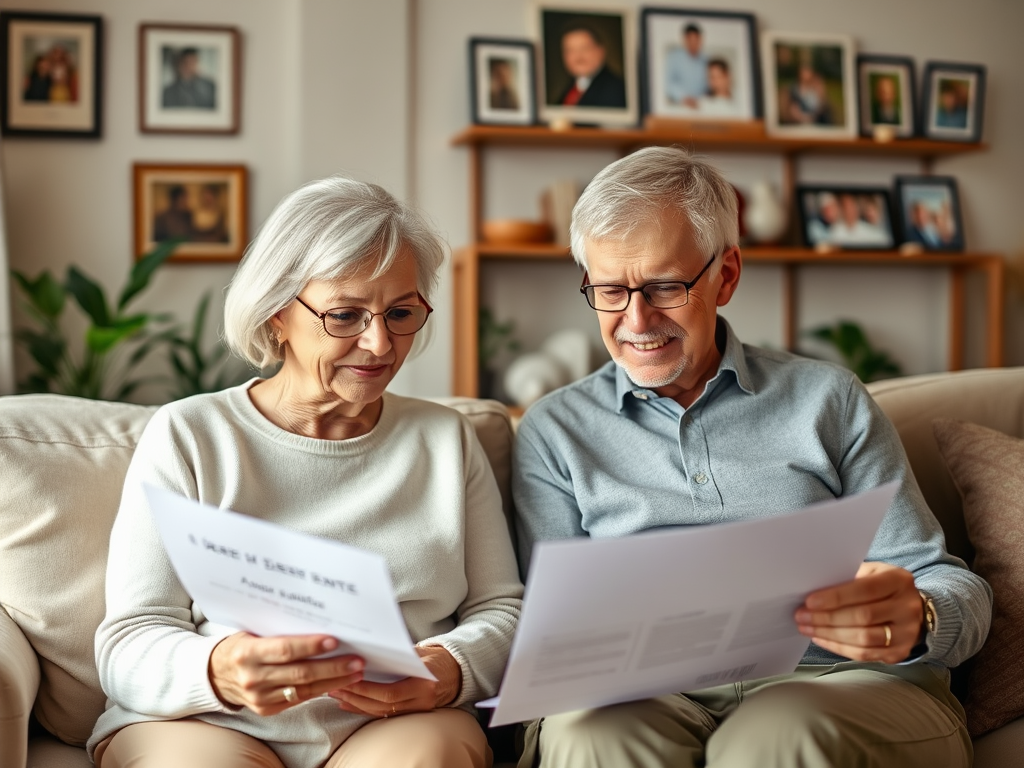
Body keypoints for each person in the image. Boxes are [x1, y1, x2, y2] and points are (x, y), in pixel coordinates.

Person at [512, 147, 991, 768]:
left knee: (771, 733)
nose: (636, 320)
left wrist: (923, 616)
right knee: (588, 733)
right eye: (608, 291)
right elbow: (554, 631)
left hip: (835, 687)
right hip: (651, 699)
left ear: (726, 275)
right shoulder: (555, 429)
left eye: (664, 286)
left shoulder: (829, 399)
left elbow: (950, 583)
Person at [88, 177, 524, 768]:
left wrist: (449, 669)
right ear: (276, 317)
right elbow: (129, 639)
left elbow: (503, 610)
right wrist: (217, 671)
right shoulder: (191, 434)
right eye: (345, 315)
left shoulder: (444, 439)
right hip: (211, 721)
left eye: (400, 312)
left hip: (392, 724)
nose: (379, 343)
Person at [556, 25, 626, 108]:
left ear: (600, 51)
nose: (578, 57)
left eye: (584, 48)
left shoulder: (617, 89)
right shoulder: (570, 90)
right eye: (570, 50)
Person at [665, 23, 707, 109]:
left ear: (701, 40)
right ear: (684, 40)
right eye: (690, 40)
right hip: (678, 105)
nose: (694, 44)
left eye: (696, 40)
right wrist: (683, 98)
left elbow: (709, 86)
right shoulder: (673, 57)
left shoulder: (706, 59)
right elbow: (668, 83)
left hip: (701, 106)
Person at [784, 59, 833, 125]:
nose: (806, 74)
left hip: (817, 119)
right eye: (804, 71)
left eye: (808, 71)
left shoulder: (815, 85)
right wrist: (804, 118)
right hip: (801, 120)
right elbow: (793, 110)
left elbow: (821, 105)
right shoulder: (794, 89)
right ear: (799, 73)